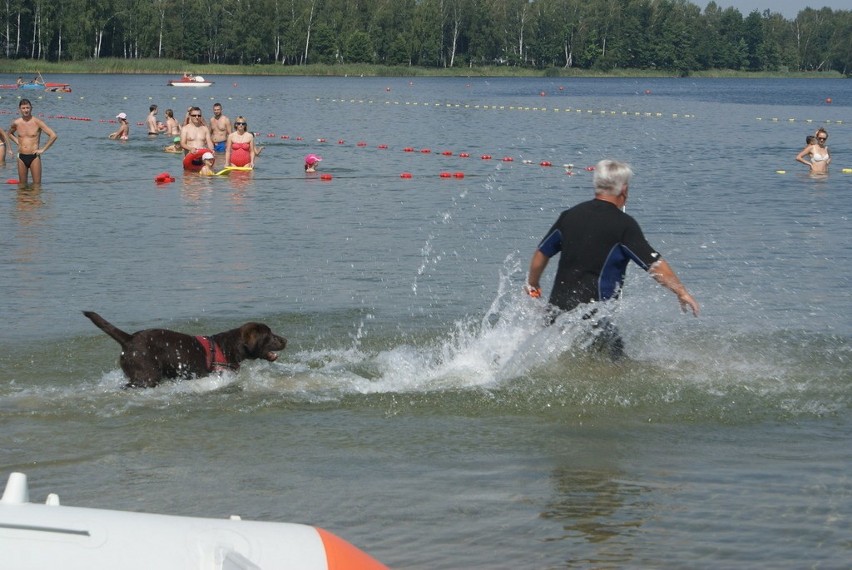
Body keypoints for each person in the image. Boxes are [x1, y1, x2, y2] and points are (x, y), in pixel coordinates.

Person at [525, 159, 699, 358]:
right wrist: (681, 292)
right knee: (618, 364)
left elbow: (541, 253)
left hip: (555, 314)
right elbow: (654, 264)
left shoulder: (570, 215)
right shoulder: (624, 225)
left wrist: (533, 284)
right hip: (593, 319)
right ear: (624, 189)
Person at [8, 98, 58, 186]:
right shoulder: (16, 123)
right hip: (21, 157)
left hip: (34, 157)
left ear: (31, 108)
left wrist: (42, 149)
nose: (26, 110)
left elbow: (53, 135)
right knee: (22, 186)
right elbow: (9, 133)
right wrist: (18, 142)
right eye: (23, 108)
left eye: (27, 108)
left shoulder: (37, 122)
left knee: (37, 186)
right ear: (19, 109)